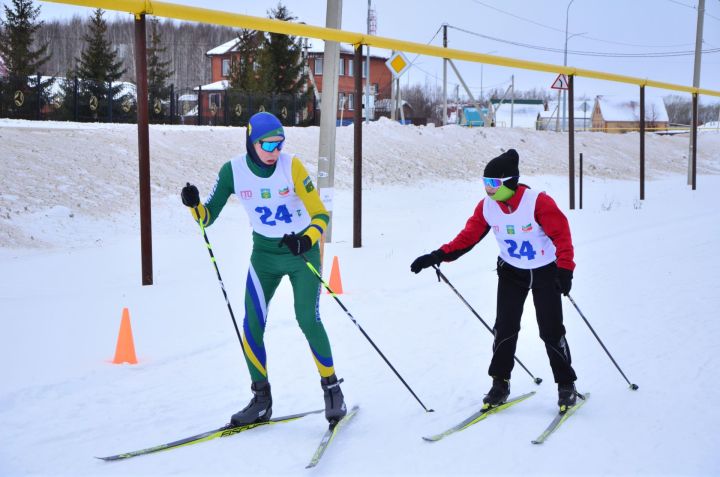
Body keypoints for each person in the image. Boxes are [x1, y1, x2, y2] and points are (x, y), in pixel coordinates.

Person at [181, 112, 347, 426]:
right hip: (265, 256)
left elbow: (321, 215)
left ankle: (332, 389)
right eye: (268, 144)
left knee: (307, 319)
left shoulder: (291, 166)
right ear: (251, 140)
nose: (274, 151)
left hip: (301, 254)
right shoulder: (233, 171)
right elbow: (206, 218)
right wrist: (194, 205)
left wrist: (306, 239)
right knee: (252, 324)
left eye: (280, 143)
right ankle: (261, 399)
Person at [410, 149, 580, 411]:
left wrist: (565, 269)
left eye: (493, 184)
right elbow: (467, 237)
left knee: (550, 329)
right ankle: (500, 382)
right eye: (485, 184)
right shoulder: (488, 207)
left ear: (509, 182)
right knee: (505, 328)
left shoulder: (538, 203)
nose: (488, 190)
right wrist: (437, 255)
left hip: (546, 271)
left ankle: (566, 384)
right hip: (512, 272)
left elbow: (562, 236)